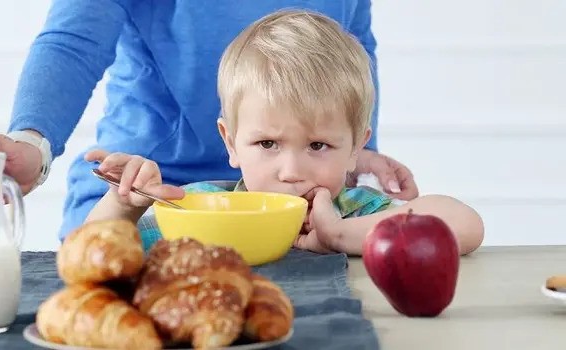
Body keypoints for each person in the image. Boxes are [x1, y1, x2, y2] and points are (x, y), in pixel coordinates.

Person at [0, 1, 419, 241]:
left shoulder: (348, 210)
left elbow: (354, 45)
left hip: (310, 214)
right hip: (156, 193)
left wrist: (357, 151)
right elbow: (73, 43)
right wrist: (33, 140)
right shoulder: (145, 206)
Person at [84, 10, 484, 256]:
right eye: (268, 143)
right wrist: (124, 207)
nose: (291, 170)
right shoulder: (204, 210)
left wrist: (340, 235)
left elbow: (464, 224)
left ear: (355, 150)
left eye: (318, 145)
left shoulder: (359, 212)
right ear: (231, 142)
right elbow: (92, 252)